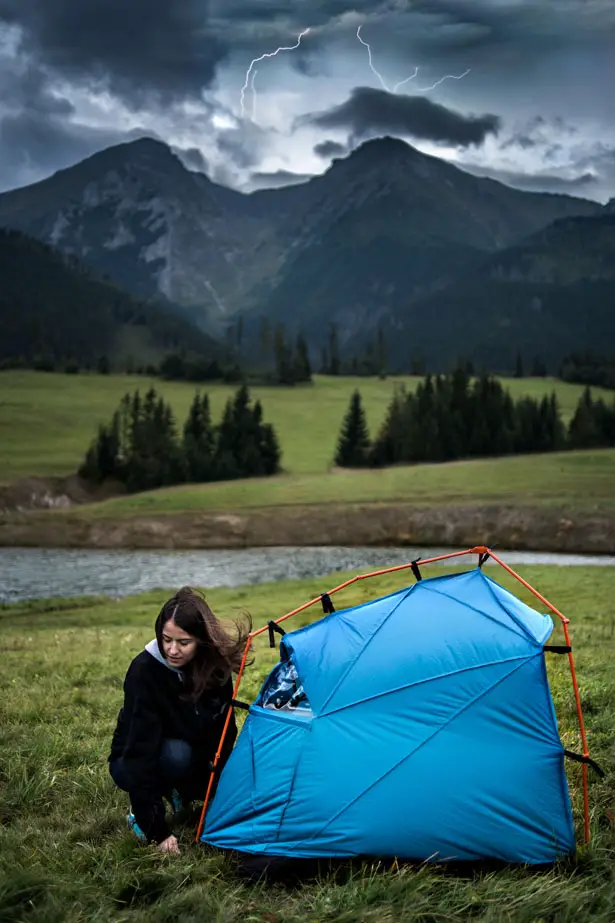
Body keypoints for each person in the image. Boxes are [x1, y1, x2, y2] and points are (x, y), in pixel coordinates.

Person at [108, 586, 251, 854]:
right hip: (137, 757)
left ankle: (182, 791)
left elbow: (225, 730)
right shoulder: (144, 672)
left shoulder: (214, 666)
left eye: (183, 642)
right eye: (166, 639)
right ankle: (142, 811)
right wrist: (156, 828)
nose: (172, 650)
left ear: (201, 640)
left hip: (193, 750)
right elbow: (140, 750)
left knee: (224, 787)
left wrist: (220, 786)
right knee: (176, 754)